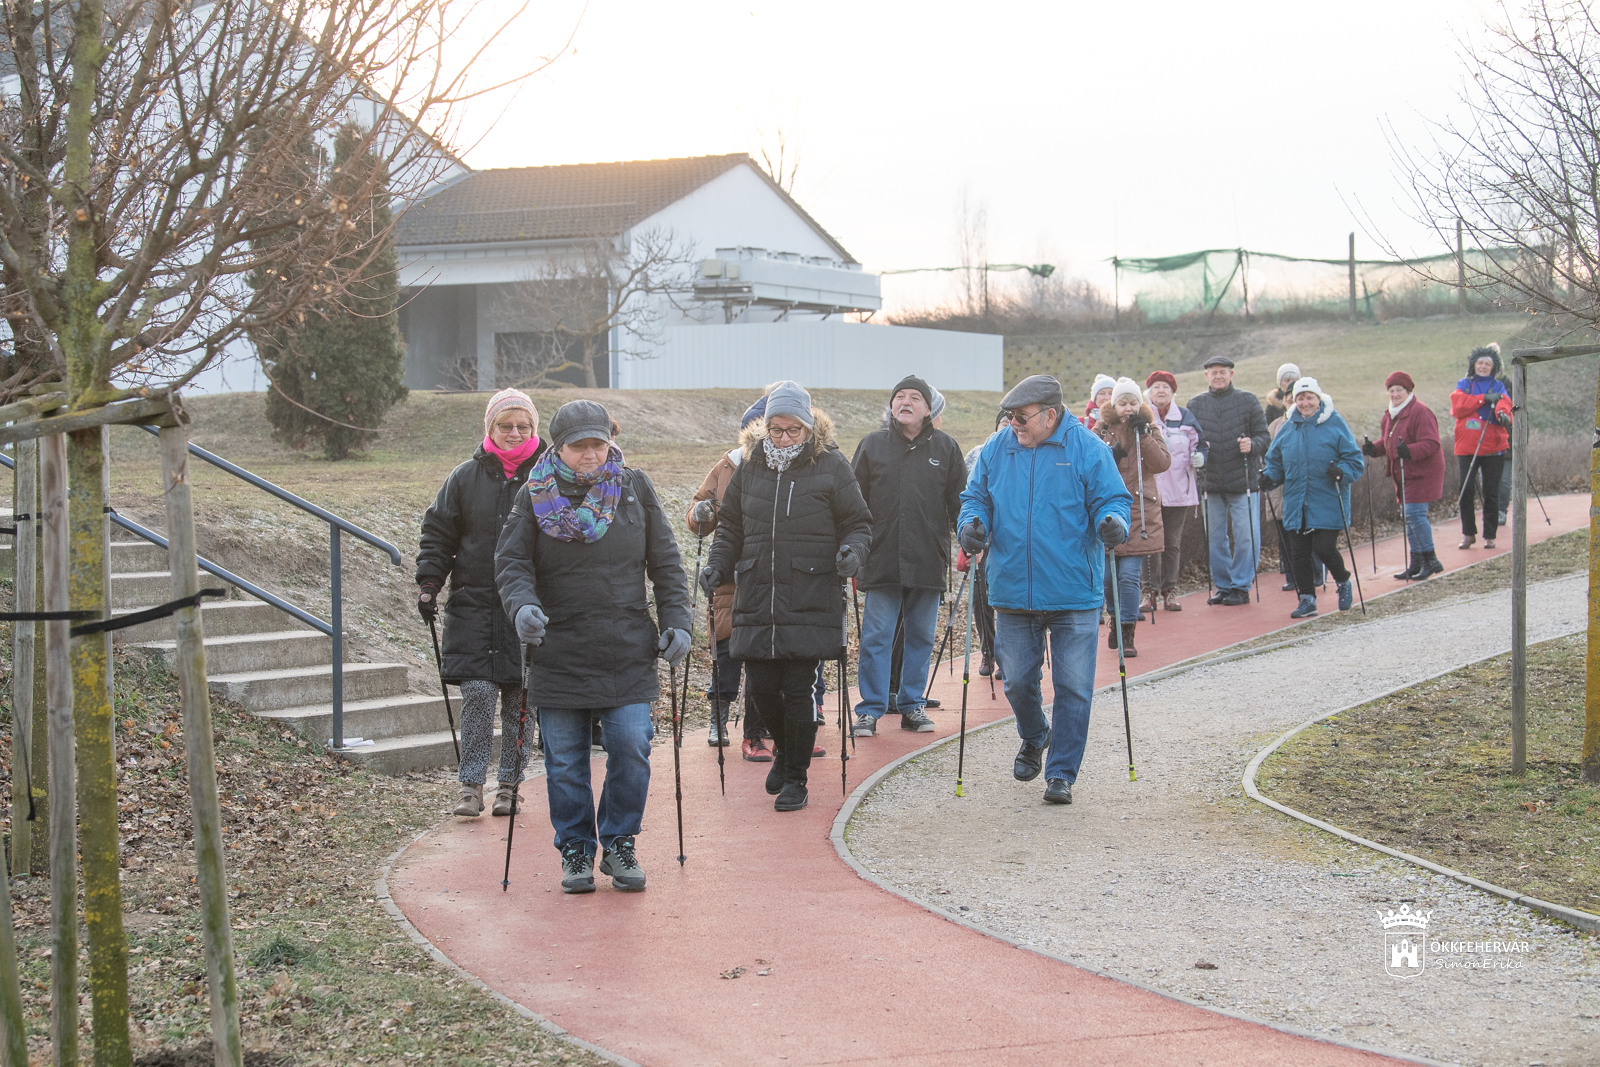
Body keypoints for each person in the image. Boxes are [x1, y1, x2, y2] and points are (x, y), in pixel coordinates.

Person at [494, 399, 691, 894]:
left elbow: (666, 563)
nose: (590, 454)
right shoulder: (531, 495)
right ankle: (576, 847)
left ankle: (620, 841)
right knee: (564, 760)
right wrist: (522, 608)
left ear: (610, 442)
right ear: (559, 447)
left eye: (597, 444)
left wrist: (678, 622)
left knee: (631, 745)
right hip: (557, 648)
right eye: (579, 446)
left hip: (625, 644)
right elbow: (511, 564)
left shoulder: (634, 488)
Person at [958, 374, 1130, 806]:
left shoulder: (1089, 449)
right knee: (1015, 680)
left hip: (1074, 590)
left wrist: (1113, 522)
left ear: (1050, 415)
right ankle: (1035, 735)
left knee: (1073, 686)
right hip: (1013, 589)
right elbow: (974, 497)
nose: (1013, 424)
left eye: (1021, 417)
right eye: (1009, 417)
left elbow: (1114, 499)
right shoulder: (998, 448)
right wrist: (970, 525)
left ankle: (1061, 774)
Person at [701, 381, 872, 813]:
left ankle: (796, 777)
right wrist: (718, 565)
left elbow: (859, 523)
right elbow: (732, 527)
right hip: (756, 590)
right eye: (776, 429)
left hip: (809, 590)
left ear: (808, 427)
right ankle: (782, 750)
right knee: (759, 686)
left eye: (793, 429)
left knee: (798, 689)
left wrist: (852, 552)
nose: (784, 438)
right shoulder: (752, 466)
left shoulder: (831, 465)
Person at [416, 389, 549, 818]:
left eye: (523, 426)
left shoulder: (548, 477)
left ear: (534, 429)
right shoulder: (463, 478)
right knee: (476, 693)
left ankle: (510, 782)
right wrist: (429, 583)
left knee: (519, 698)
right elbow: (438, 534)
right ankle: (471, 784)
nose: (514, 433)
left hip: (527, 605)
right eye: (505, 425)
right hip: (472, 604)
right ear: (489, 428)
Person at [849, 376, 967, 738]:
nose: (905, 401)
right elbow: (853, 504)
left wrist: (969, 535)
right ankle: (870, 709)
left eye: (915, 397)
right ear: (891, 406)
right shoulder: (871, 446)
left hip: (928, 559)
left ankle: (912, 705)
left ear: (928, 409)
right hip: (881, 557)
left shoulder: (946, 448)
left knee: (919, 636)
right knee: (877, 636)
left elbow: (960, 503)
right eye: (899, 396)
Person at [686, 394, 771, 759]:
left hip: (765, 572)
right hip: (728, 573)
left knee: (762, 656)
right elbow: (695, 512)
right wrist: (700, 513)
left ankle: (759, 726)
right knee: (726, 649)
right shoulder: (726, 466)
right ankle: (717, 718)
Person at [1259, 378, 1362, 618]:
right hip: (1296, 500)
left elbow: (1354, 460)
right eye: (1300, 398)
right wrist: (1269, 477)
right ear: (1294, 401)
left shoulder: (1335, 423)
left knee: (1324, 548)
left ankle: (1344, 581)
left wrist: (1341, 472)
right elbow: (1275, 461)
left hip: (1327, 498)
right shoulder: (1288, 427)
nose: (1305, 403)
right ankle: (1306, 600)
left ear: (1318, 399)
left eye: (1309, 397)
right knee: (1299, 553)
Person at [1093, 378, 1169, 657]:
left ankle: (1127, 631)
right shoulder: (1101, 429)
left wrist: (1145, 436)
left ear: (1140, 404)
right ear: (1114, 404)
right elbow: (1088, 461)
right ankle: (1114, 618)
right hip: (1108, 510)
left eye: (1133, 402)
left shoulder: (1148, 427)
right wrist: (1109, 454)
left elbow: (1161, 463)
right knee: (1107, 578)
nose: (1128, 408)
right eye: (1123, 403)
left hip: (1140, 511)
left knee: (1128, 577)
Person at [1188, 355, 1269, 606]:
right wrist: (1197, 452)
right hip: (1210, 484)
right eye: (1214, 372)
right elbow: (1190, 440)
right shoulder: (1195, 405)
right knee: (1215, 538)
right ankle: (1223, 586)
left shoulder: (1248, 400)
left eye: (1223, 371)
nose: (1218, 376)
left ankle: (1241, 585)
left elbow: (1264, 437)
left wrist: (1252, 445)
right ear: (1206, 376)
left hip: (1243, 481)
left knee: (1246, 535)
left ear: (1231, 374)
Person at [1363, 372, 1445, 580]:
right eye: (1391, 390)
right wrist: (1373, 448)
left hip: (1422, 473)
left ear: (1408, 391)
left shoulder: (1420, 411)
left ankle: (1431, 559)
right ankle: (1416, 563)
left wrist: (1410, 450)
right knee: (1409, 518)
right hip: (1403, 473)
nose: (1395, 394)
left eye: (1399, 389)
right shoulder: (1391, 414)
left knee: (1415, 515)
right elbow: (1389, 443)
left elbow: (1432, 443)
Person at [1140, 370, 1204, 613]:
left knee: (1171, 543)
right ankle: (1149, 591)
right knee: (1149, 543)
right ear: (1149, 392)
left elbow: (1202, 444)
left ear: (1173, 392)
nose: (1161, 391)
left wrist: (1201, 457)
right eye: (1156, 387)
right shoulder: (1142, 415)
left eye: (1166, 387)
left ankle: (1169, 590)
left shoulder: (1186, 416)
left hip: (1180, 491)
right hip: (1150, 491)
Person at [1449, 343, 1513, 549]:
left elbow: (1505, 404)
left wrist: (1503, 415)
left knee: (1491, 493)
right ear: (1473, 365)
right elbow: (1458, 406)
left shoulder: (1499, 386)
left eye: (1488, 363)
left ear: (1494, 367)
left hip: (1493, 447)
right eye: (1480, 363)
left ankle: (1490, 535)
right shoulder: (1464, 384)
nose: (1484, 366)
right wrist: (1482, 399)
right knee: (1465, 490)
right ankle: (1468, 533)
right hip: (1467, 447)